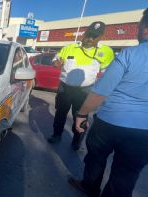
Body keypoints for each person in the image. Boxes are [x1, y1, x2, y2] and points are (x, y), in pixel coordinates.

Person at [69, 2, 148, 197]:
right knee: (128, 173)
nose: (139, 31)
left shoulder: (130, 54)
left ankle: (89, 187)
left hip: (111, 123)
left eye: (140, 26)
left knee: (96, 158)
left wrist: (82, 114)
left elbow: (101, 92)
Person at [48, 21, 115, 150]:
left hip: (84, 91)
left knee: (80, 116)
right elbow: (56, 59)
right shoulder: (70, 47)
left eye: (94, 36)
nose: (90, 39)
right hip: (65, 88)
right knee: (60, 113)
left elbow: (108, 74)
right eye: (88, 34)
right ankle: (56, 135)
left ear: (101, 36)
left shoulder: (107, 52)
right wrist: (56, 62)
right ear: (84, 33)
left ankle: (76, 141)